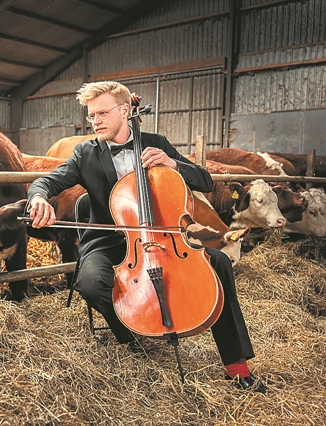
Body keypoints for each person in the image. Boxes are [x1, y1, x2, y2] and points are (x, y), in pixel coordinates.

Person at [27, 81, 265, 393]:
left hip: (165, 237)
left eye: (102, 113)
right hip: (109, 240)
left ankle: (236, 364)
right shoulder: (86, 153)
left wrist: (173, 164)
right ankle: (135, 336)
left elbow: (205, 181)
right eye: (91, 115)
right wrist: (39, 199)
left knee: (218, 263)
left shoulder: (157, 143)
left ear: (125, 111)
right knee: (89, 281)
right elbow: (47, 181)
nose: (94, 121)